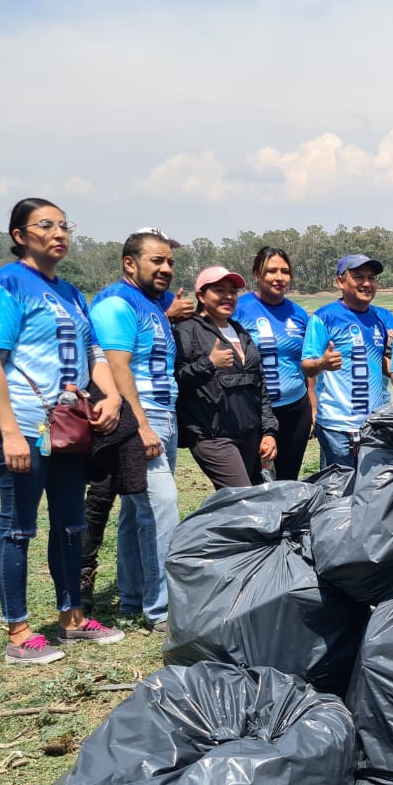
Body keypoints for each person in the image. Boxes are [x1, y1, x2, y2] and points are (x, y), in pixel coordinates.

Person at [0, 197, 125, 664]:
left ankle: (72, 620)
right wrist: (11, 432)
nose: (59, 233)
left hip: (70, 427)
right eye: (46, 225)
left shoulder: (72, 293)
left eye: (64, 225)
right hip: (25, 426)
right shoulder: (5, 285)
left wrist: (112, 396)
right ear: (20, 235)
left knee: (70, 524)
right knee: (18, 527)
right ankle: (17, 632)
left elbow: (95, 355)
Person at [80, 228, 192, 612]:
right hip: (140, 416)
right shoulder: (116, 303)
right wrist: (141, 425)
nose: (165, 269)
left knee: (136, 509)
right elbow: (116, 367)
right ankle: (162, 607)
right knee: (162, 508)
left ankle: (132, 597)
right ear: (130, 263)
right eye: (156, 260)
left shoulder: (150, 304)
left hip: (164, 415)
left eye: (170, 263)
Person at [173, 266, 279, 489]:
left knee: (247, 501)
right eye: (219, 290)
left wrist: (268, 431)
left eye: (233, 291)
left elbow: (260, 385)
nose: (228, 297)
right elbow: (177, 379)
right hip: (211, 435)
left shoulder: (240, 331)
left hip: (249, 432)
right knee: (241, 497)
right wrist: (209, 363)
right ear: (201, 295)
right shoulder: (187, 330)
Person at [300, 254, 393, 468]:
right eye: (358, 277)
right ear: (340, 281)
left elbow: (384, 364)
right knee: (337, 493)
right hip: (337, 426)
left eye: (371, 278)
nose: (366, 283)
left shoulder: (381, 318)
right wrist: (322, 364)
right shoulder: (324, 317)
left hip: (373, 424)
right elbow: (307, 366)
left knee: (370, 491)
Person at [233, 246, 315, 480]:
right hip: (253, 411)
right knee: (254, 480)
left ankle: (286, 518)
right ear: (257, 274)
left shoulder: (298, 313)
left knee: (288, 480)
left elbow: (306, 361)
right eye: (271, 271)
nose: (279, 277)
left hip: (295, 409)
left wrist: (313, 404)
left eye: (285, 271)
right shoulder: (239, 309)